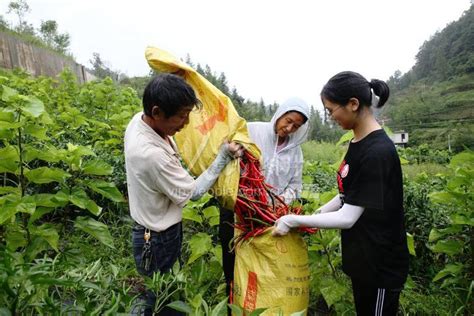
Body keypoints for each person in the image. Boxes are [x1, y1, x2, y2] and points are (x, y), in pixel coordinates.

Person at [273, 71, 409, 315]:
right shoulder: (358, 142)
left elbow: (348, 217)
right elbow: (349, 193)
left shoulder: (378, 152)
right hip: (363, 260)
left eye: (330, 109)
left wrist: (293, 220)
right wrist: (318, 213)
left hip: (380, 266)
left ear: (353, 104)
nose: (330, 117)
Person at [124, 73, 242, 316]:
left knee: (163, 292)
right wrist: (223, 156)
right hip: (157, 239)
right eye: (180, 116)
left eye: (188, 114)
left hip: (153, 230)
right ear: (157, 112)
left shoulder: (139, 120)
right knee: (162, 301)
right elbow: (195, 193)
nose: (186, 123)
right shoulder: (151, 155)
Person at [219, 97, 310, 309]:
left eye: (296, 126)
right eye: (287, 121)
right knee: (233, 261)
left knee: (263, 265)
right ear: (279, 113)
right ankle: (235, 306)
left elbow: (295, 185)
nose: (288, 128)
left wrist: (276, 204)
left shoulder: (295, 151)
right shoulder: (253, 130)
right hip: (239, 210)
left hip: (270, 217)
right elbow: (229, 150)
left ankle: (261, 304)